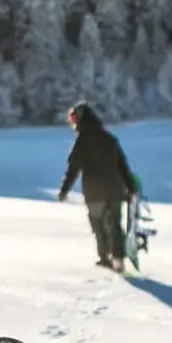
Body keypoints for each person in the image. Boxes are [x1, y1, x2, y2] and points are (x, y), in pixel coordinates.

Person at [56, 101, 139, 273]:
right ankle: (118, 259)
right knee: (114, 225)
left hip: (94, 192)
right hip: (115, 190)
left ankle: (104, 258)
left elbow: (73, 169)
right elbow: (122, 166)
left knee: (98, 225)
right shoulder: (110, 140)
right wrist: (131, 188)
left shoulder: (81, 142)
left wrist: (64, 190)